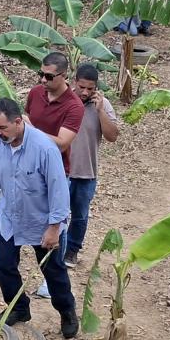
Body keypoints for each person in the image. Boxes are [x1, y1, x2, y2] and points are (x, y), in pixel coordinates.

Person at [0, 51, 83, 287]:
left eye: (48, 76)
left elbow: (62, 143)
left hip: (50, 169)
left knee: (51, 260)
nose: (42, 80)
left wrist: (31, 134)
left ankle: (54, 278)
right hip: (17, 166)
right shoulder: (35, 94)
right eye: (40, 74)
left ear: (64, 76)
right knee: (5, 255)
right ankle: (13, 293)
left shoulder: (74, 106)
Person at [0, 98, 78, 339]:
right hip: (9, 217)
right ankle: (18, 308)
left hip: (41, 221)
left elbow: (58, 189)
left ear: (18, 122)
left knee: (53, 271)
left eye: (3, 128)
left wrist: (55, 227)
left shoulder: (44, 148)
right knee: (3, 265)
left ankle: (67, 311)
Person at [67, 63, 119, 264]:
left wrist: (100, 111)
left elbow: (112, 136)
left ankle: (72, 250)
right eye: (82, 87)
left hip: (87, 171)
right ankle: (55, 250)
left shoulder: (103, 105)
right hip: (62, 171)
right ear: (74, 82)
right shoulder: (65, 101)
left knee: (80, 216)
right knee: (58, 215)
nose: (85, 92)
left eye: (90, 88)